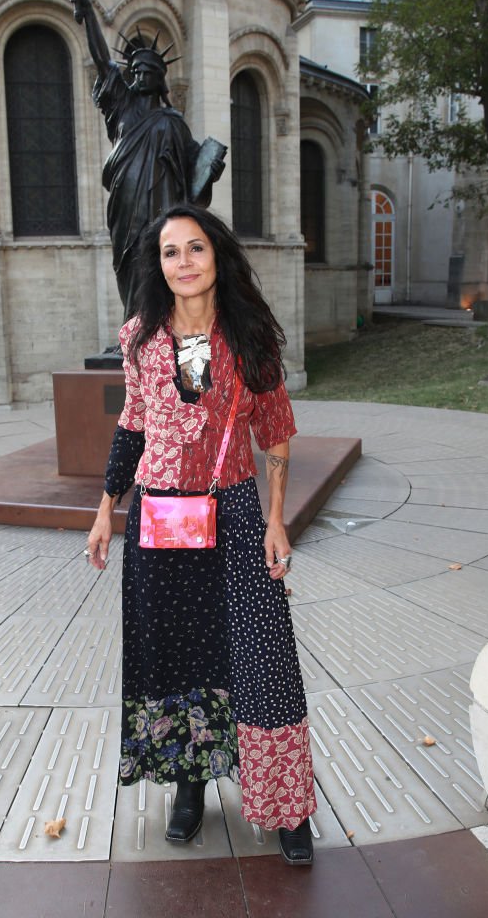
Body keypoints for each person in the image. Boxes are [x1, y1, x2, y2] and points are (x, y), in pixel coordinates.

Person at [86, 203, 316, 865]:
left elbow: (274, 431)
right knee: (178, 654)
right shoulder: (139, 337)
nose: (183, 262)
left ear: (216, 257)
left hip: (238, 515)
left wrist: (275, 518)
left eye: (195, 249)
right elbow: (132, 425)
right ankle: (188, 787)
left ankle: (284, 804)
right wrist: (107, 506)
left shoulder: (247, 337)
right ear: (156, 265)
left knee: (264, 658)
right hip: (161, 519)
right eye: (169, 252)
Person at [68, 0, 225, 320]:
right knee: (128, 262)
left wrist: (211, 165)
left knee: (158, 262)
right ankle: (134, 328)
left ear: (160, 79)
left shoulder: (173, 121)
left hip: (163, 205)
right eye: (135, 72)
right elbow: (103, 61)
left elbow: (194, 164)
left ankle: (162, 325)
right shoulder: (123, 108)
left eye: (146, 73)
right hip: (126, 203)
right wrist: (88, 15)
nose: (139, 77)